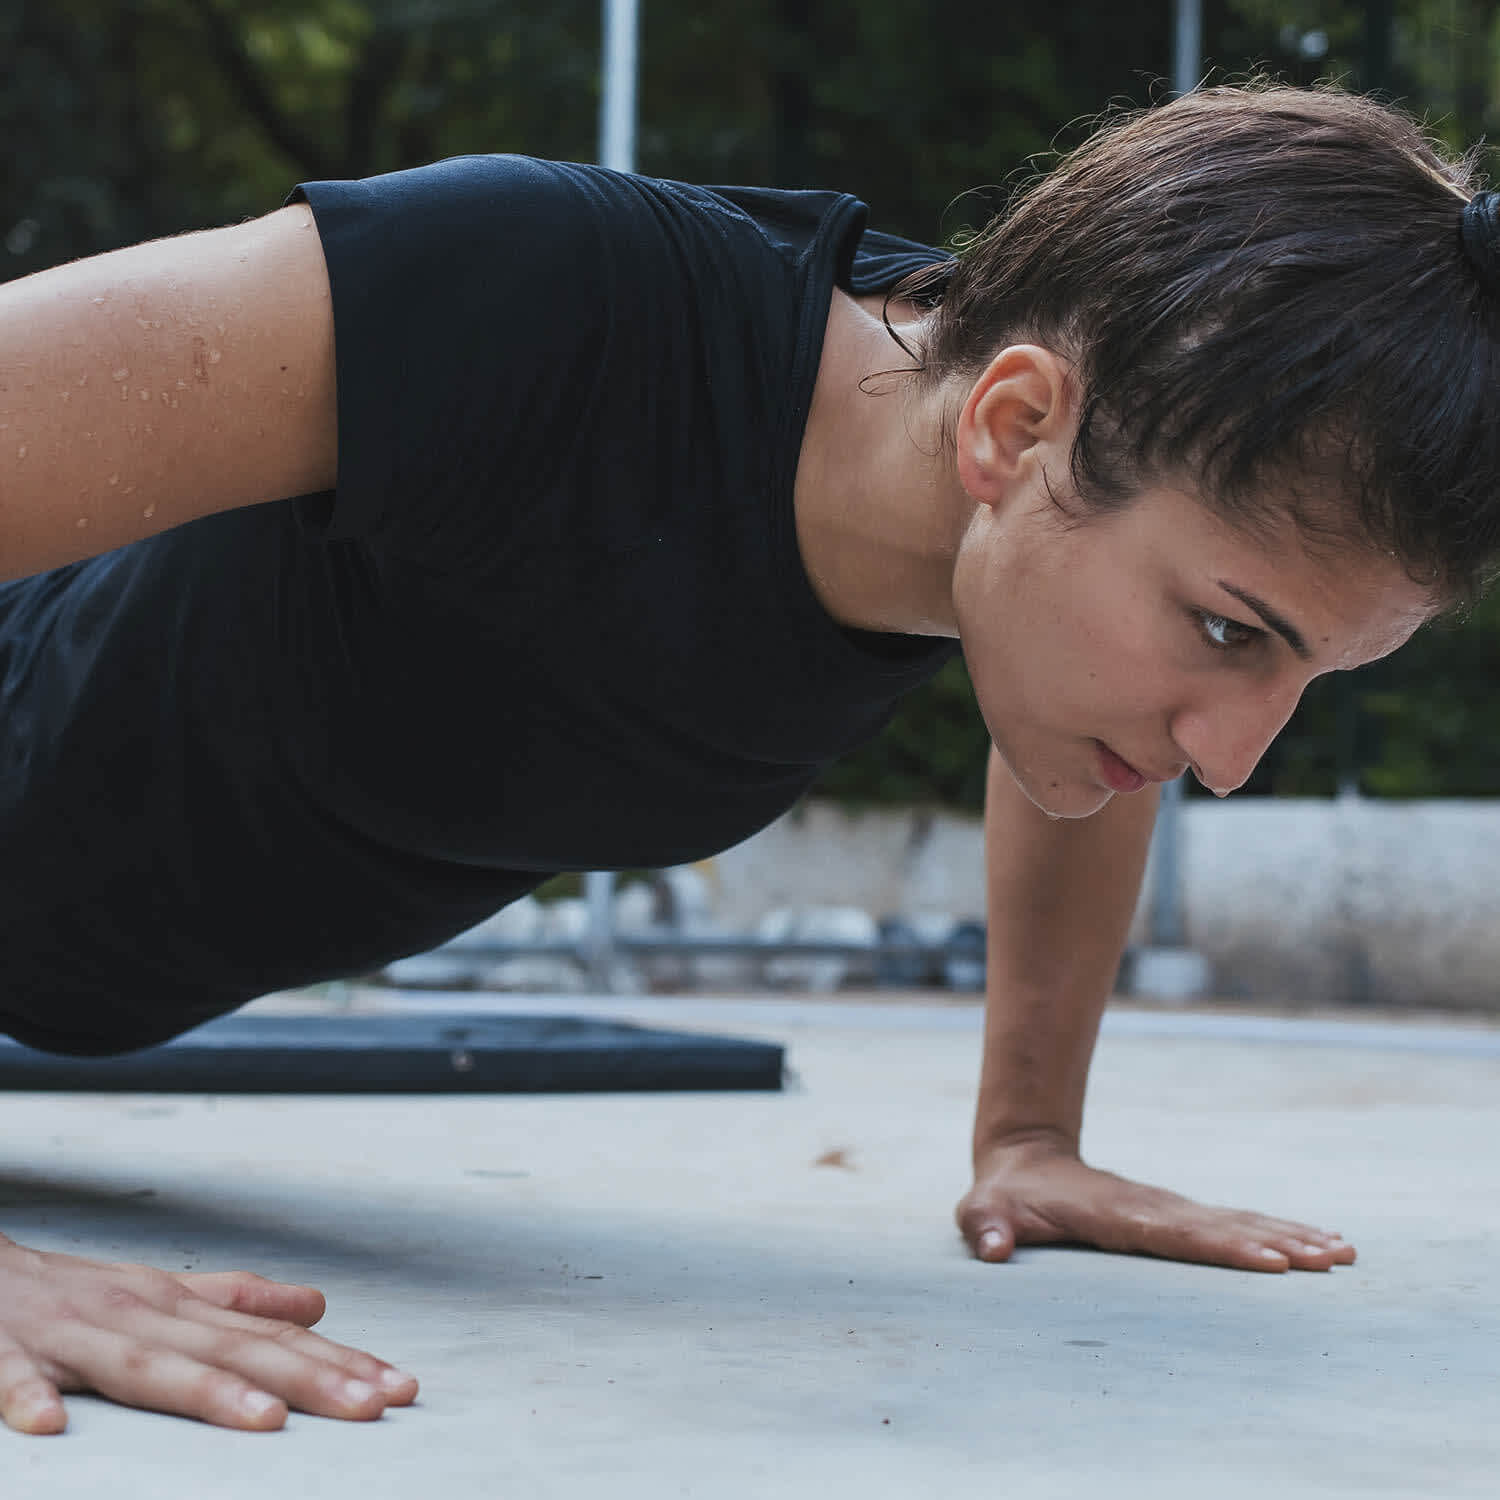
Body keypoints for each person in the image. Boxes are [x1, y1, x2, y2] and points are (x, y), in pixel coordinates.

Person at [0, 81, 1496, 1436]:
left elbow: (1086, 749)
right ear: (1016, 424)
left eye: (1314, 665)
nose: (1227, 759)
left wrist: (1031, 1134)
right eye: (1232, 633)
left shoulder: (1015, 509)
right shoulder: (536, 300)